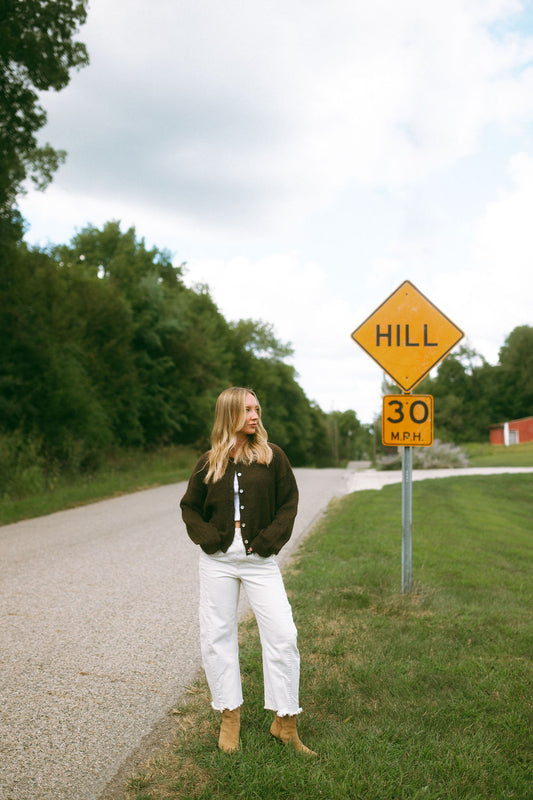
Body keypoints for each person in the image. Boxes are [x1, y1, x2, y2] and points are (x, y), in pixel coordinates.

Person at [180, 386, 315, 756]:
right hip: (218, 562)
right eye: (247, 410)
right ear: (229, 415)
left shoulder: (273, 457)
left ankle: (285, 723)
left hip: (260, 562)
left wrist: (269, 540)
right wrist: (209, 540)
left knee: (283, 635)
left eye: (257, 409)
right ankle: (230, 718)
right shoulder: (210, 461)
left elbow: (289, 503)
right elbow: (190, 507)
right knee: (217, 636)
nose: (255, 416)